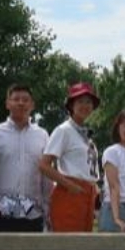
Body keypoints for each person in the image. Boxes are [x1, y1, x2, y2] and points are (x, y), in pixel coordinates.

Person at [0, 84, 50, 231]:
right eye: (16, 99)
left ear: (32, 105)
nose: (21, 103)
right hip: (2, 212)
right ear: (7, 104)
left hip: (34, 213)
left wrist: (47, 206)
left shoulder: (42, 135)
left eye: (25, 100)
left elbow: (47, 173)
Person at [40, 82, 101, 232]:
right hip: (69, 192)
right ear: (71, 105)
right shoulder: (64, 130)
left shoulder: (86, 134)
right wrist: (70, 185)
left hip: (88, 193)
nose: (85, 106)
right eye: (80, 101)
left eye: (88, 102)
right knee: (68, 241)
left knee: (84, 242)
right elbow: (44, 165)